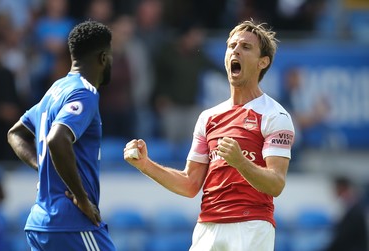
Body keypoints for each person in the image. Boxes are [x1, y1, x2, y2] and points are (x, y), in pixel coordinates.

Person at [124, 20, 295, 251]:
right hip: (207, 226)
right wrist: (145, 165)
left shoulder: (275, 115)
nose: (235, 50)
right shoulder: (208, 117)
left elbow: (276, 184)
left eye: (246, 47)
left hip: (250, 225)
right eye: (232, 45)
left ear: (262, 62)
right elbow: (190, 184)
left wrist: (240, 162)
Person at [7, 20, 116, 251]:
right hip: (71, 222)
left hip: (40, 223)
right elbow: (57, 139)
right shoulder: (84, 93)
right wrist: (83, 199)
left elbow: (15, 133)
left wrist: (43, 165)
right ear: (103, 58)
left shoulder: (55, 91)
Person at [323, 176, 368, 251]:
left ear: (342, 188)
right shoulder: (351, 206)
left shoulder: (353, 208)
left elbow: (345, 236)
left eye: (336, 188)